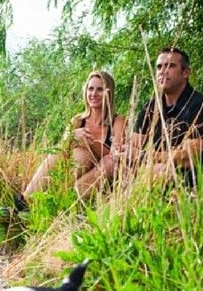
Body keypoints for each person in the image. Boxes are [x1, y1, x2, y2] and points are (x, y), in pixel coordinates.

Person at [15, 70, 126, 210]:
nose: (94, 94)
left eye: (100, 89)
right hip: (73, 170)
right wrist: (70, 137)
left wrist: (90, 144)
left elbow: (115, 155)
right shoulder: (77, 120)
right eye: (90, 89)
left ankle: (63, 202)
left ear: (109, 93)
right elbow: (61, 151)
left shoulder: (118, 121)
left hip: (99, 175)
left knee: (84, 155)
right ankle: (25, 201)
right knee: (75, 154)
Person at [129, 46, 203, 188]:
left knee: (160, 170)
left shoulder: (200, 105)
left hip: (191, 181)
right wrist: (122, 152)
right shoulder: (151, 106)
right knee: (111, 163)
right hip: (153, 169)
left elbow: (188, 158)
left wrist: (145, 157)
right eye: (159, 67)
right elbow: (133, 147)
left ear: (186, 72)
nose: (163, 72)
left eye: (170, 66)